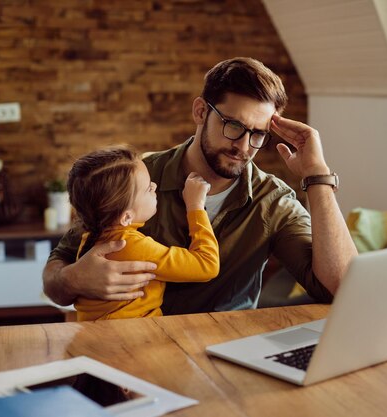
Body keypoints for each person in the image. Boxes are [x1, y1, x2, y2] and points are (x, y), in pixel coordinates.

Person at [43, 57, 357, 314]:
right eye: (233, 126)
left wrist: (317, 176)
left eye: (258, 134)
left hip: (229, 356)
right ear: (201, 111)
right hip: (137, 357)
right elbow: (57, 272)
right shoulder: (136, 180)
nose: (244, 147)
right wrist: (72, 279)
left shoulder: (272, 201)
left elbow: (342, 287)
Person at [66, 146, 219, 320]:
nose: (155, 186)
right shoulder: (131, 246)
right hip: (130, 339)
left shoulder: (91, 237)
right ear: (126, 217)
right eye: (148, 189)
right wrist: (195, 207)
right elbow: (207, 265)